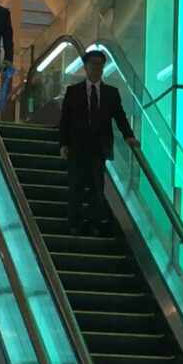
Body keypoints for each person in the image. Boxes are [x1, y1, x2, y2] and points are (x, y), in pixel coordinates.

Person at [56, 43, 133, 235]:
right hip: (77, 147)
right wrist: (63, 144)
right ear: (85, 66)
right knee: (76, 186)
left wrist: (129, 136)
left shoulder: (111, 93)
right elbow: (65, 120)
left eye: (100, 64)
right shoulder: (73, 92)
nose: (96, 67)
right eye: (93, 64)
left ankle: (94, 223)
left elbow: (120, 116)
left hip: (99, 148)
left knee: (97, 188)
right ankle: (74, 223)